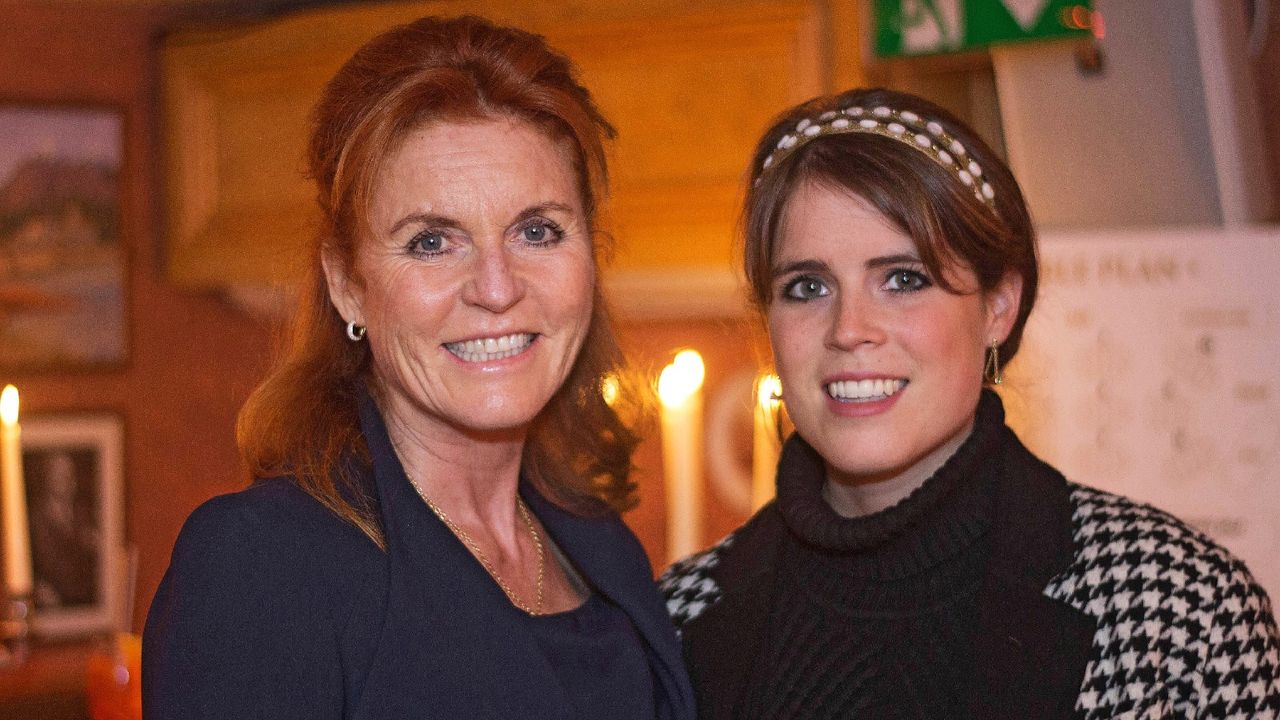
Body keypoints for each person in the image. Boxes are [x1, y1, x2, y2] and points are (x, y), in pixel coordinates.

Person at [659, 87, 1280, 719]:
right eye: (807, 286)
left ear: (998, 308)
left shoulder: (1176, 610)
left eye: (903, 279)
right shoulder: (672, 624)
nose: (849, 328)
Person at [144, 16, 694, 720]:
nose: (496, 288)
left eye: (537, 231)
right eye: (432, 241)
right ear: (347, 284)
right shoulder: (264, 565)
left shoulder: (603, 547)